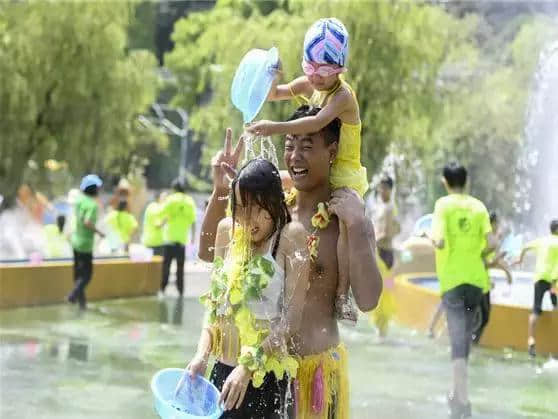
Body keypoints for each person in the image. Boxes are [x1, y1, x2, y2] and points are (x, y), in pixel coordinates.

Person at [199, 107, 383, 419]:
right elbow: (208, 253)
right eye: (289, 145)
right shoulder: (270, 208)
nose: (295, 156)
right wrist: (220, 191)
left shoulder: (344, 219)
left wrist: (359, 227)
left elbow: (368, 300)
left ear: (332, 151)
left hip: (314, 382)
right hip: (260, 378)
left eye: (308, 146)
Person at [247, 18, 367, 325]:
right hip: (316, 170)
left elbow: (314, 124)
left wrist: (275, 127)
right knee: (273, 184)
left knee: (341, 224)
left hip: (344, 174)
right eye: (310, 68)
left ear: (339, 70)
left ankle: (342, 294)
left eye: (324, 72)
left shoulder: (343, 96)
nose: (315, 78)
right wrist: (273, 74)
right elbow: (274, 94)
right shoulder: (308, 83)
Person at [188, 158, 310, 418]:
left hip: (264, 379)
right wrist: (201, 354)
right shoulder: (227, 231)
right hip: (222, 374)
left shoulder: (291, 237)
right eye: (240, 207)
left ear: (274, 202)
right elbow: (215, 308)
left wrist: (247, 368)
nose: (247, 218)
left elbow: (292, 321)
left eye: (256, 208)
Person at [428, 162, 491, 419]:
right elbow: (491, 242)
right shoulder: (479, 206)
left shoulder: (443, 205)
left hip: (453, 281)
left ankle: (463, 402)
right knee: (464, 337)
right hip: (476, 280)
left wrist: (429, 237)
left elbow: (440, 240)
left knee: (457, 340)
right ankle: (457, 393)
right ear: (466, 181)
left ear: (445, 181)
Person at [513, 219, 558, 357]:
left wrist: (520, 259)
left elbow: (525, 247)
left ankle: (531, 339)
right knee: (556, 305)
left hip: (539, 277)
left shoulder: (542, 241)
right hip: (554, 281)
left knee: (536, 309)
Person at [472, 211, 512, 344]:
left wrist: (506, 272)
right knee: (480, 316)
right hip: (477, 282)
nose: (498, 227)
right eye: (497, 224)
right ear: (492, 224)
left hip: (484, 283)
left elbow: (491, 263)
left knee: (485, 316)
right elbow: (484, 264)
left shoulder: (491, 240)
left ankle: (474, 340)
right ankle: (471, 340)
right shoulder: (484, 240)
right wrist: (498, 260)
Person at [67, 174, 105, 310]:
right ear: (94, 189)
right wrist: (100, 233)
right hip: (85, 244)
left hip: (76, 241)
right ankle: (73, 296)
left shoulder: (79, 201)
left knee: (78, 275)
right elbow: (88, 222)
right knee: (87, 276)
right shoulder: (92, 205)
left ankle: (82, 305)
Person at [159, 179, 197, 296]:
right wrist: (192, 238)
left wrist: (160, 224)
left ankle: (162, 290)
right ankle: (180, 292)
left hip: (169, 240)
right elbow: (193, 222)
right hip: (182, 241)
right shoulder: (190, 201)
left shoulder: (171, 199)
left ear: (174, 189)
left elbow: (163, 214)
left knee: (166, 267)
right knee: (180, 268)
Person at [373, 176, 400, 270]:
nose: (382, 191)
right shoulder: (381, 206)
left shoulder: (390, 208)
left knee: (388, 283)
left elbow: (388, 232)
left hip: (385, 253)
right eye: (380, 188)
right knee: (383, 283)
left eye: (385, 188)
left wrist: (371, 242)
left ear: (391, 190)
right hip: (380, 251)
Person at [141, 192, 167, 256]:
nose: (167, 199)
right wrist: (167, 217)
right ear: (158, 198)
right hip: (155, 243)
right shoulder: (155, 208)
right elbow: (158, 225)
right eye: (164, 197)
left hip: (153, 242)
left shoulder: (153, 207)